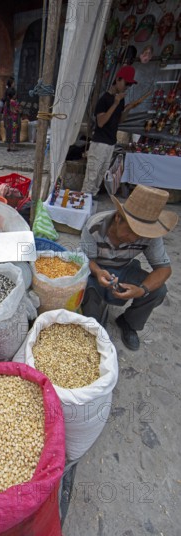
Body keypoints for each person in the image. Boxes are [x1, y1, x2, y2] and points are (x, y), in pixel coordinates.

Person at [80, 185, 178, 351]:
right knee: (90, 315)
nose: (134, 239)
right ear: (118, 217)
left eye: (140, 235)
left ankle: (129, 322)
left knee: (158, 290)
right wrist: (97, 272)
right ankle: (94, 318)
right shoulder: (94, 226)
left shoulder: (149, 235)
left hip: (124, 269)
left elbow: (164, 269)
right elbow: (83, 259)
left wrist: (141, 290)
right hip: (96, 269)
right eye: (131, 231)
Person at [81, 66, 145, 198]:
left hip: (110, 143)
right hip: (99, 143)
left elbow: (119, 120)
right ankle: (84, 202)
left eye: (129, 84)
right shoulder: (104, 100)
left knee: (100, 176)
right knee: (91, 177)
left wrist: (127, 108)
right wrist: (115, 104)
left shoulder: (120, 100)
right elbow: (101, 122)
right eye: (126, 83)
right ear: (117, 79)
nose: (127, 87)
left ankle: (91, 200)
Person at [3, 88, 20, 152]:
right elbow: (17, 110)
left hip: (8, 119)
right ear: (13, 95)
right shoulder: (14, 102)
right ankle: (13, 146)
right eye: (15, 94)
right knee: (14, 132)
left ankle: (8, 146)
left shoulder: (6, 102)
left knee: (8, 132)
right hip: (14, 120)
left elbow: (4, 112)